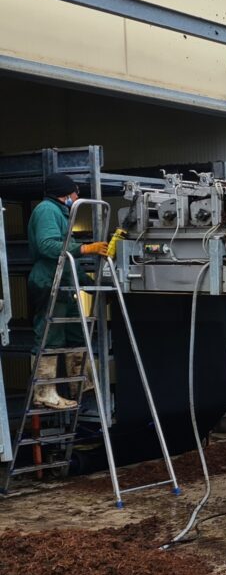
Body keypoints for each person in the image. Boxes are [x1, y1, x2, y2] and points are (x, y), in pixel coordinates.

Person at [26, 174, 108, 410]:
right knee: (50, 335)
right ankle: (44, 391)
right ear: (65, 193)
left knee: (75, 332)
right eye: (75, 192)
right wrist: (85, 248)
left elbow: (70, 263)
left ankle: (81, 384)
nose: (77, 196)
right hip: (49, 280)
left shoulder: (61, 213)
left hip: (63, 280)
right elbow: (47, 245)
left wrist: (92, 287)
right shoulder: (47, 211)